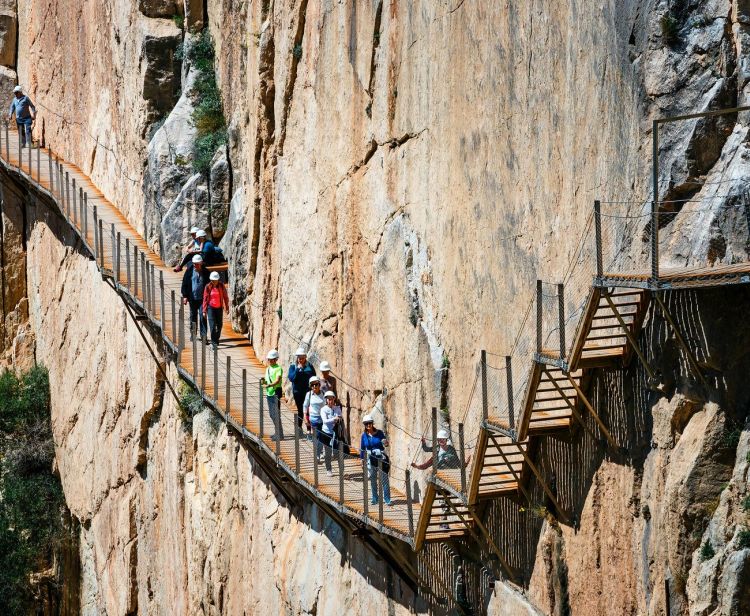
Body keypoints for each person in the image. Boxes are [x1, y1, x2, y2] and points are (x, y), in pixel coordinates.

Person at [359, 414, 391, 505]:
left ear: (372, 423)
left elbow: (386, 444)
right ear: (364, 425)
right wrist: (362, 460)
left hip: (380, 459)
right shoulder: (364, 436)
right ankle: (375, 498)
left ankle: (387, 499)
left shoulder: (379, 433)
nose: (368, 425)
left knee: (384, 479)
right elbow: (362, 449)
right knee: (373, 480)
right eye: (366, 424)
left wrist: (385, 442)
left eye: (369, 423)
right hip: (371, 460)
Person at [180, 254, 209, 342]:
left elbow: (210, 286)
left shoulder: (206, 272)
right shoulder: (189, 271)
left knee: (202, 316)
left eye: (196, 264)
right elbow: (184, 283)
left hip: (202, 299)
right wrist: (185, 296)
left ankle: (204, 337)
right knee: (193, 316)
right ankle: (193, 335)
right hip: (192, 298)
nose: (195, 265)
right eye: (194, 264)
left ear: (201, 263)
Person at [288, 348, 316, 432]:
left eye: (302, 358)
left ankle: (309, 429)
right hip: (297, 392)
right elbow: (291, 378)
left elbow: (313, 377)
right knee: (300, 409)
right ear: (297, 358)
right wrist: (297, 370)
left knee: (308, 409)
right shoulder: (293, 366)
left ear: (305, 357)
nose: (300, 360)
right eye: (299, 358)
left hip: (307, 392)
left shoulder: (309, 366)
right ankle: (299, 428)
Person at [202, 271, 229, 350]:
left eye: (215, 280)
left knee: (220, 325)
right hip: (211, 308)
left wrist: (227, 307)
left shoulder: (221, 286)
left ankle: (216, 339)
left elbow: (225, 297)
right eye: (212, 280)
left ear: (218, 280)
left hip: (219, 308)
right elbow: (205, 299)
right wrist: (204, 310)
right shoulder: (208, 286)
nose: (213, 281)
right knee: (212, 325)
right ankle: (213, 343)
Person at [320, 390, 342, 476]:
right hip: (326, 433)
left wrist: (337, 418)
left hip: (335, 433)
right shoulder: (323, 409)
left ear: (334, 399)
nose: (330, 401)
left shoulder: (337, 408)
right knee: (328, 452)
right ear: (326, 400)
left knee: (339, 452)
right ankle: (328, 469)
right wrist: (334, 419)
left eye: (332, 399)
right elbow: (325, 421)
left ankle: (341, 470)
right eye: (328, 399)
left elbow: (340, 417)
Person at [303, 376, 326, 459]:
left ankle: (319, 452)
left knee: (321, 437)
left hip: (323, 418)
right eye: (312, 385)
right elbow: (305, 406)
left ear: (319, 384)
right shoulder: (309, 394)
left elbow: (326, 405)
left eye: (316, 384)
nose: (314, 387)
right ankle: (317, 454)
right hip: (314, 418)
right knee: (317, 436)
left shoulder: (323, 394)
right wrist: (305, 418)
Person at [264, 349, 284, 441]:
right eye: (269, 359)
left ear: (276, 359)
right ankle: (278, 433)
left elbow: (278, 380)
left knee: (275, 413)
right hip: (269, 392)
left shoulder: (278, 368)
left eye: (272, 359)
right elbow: (267, 379)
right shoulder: (268, 369)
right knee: (272, 414)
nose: (270, 361)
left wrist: (269, 385)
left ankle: (279, 434)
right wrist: (263, 383)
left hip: (276, 392)